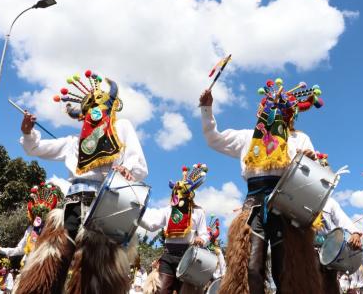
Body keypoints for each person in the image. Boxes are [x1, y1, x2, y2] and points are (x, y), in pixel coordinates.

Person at [15, 70, 148, 294]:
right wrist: (28, 132)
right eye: (90, 109)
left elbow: (139, 166)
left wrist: (127, 170)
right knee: (58, 256)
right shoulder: (73, 143)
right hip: (75, 202)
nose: (95, 112)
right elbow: (35, 148)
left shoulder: (121, 129)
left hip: (105, 206)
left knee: (97, 272)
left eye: (100, 106)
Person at [200, 78, 325, 293]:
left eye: (279, 106)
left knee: (287, 271)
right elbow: (214, 139)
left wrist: (310, 160)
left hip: (287, 210)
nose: (273, 110)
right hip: (253, 208)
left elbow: (316, 176)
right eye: (269, 106)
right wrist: (206, 109)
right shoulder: (248, 137)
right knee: (250, 269)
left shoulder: (298, 139)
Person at [139, 163, 210, 294]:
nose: (178, 194)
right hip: (168, 256)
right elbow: (152, 225)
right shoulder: (168, 210)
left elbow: (205, 234)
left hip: (188, 258)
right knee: (163, 290)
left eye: (182, 191)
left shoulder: (198, 212)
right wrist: (136, 215)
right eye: (176, 191)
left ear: (190, 194)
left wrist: (201, 239)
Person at [0, 182, 59, 267]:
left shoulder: (51, 230)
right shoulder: (30, 230)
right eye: (35, 214)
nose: (39, 218)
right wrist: (1, 249)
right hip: (27, 266)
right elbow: (20, 250)